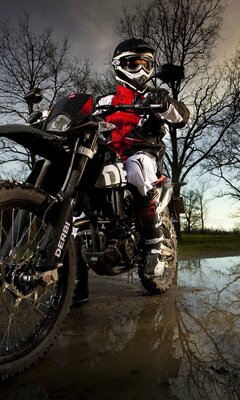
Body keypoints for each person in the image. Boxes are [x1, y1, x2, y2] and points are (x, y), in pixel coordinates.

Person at [72, 38, 189, 304]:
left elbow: (181, 117)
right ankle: (75, 284)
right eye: (132, 63)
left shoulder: (153, 97)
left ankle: (154, 243)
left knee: (136, 166)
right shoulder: (104, 100)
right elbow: (83, 119)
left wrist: (166, 102)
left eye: (144, 63)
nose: (139, 69)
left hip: (143, 155)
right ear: (118, 66)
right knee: (78, 195)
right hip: (108, 159)